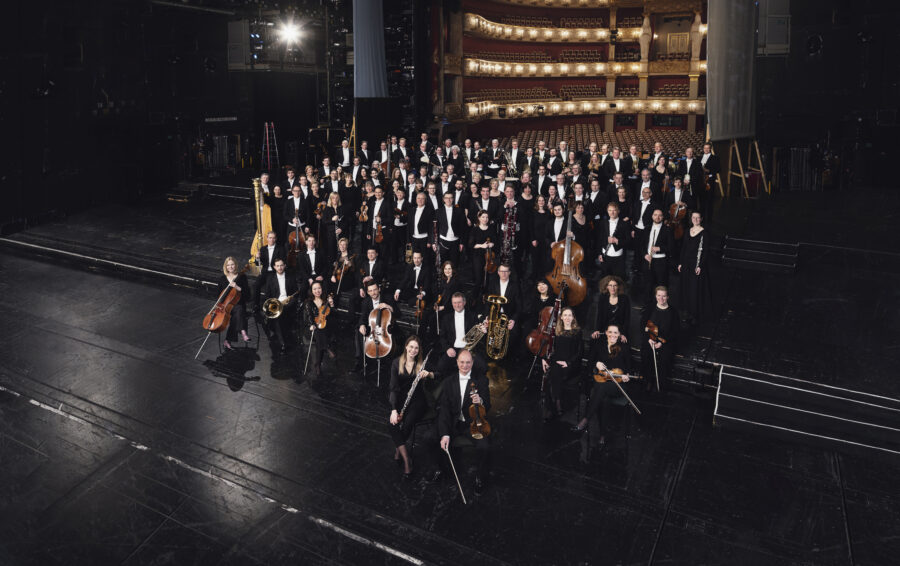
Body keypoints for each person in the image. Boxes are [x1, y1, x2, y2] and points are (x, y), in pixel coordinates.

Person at [435, 349, 492, 496]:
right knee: (429, 438)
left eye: (468, 362)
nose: (465, 365)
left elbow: (489, 406)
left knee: (484, 446)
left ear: (472, 363)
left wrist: (481, 401)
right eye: (462, 362)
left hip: (471, 423)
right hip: (453, 423)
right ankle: (441, 469)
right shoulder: (449, 381)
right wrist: (445, 434)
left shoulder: (481, 381)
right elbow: (445, 410)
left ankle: (480, 477)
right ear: (457, 362)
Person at [573, 323, 634, 445]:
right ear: (605, 332)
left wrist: (627, 375)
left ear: (619, 334)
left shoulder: (624, 347)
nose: (612, 335)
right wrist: (596, 364)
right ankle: (603, 434)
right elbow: (590, 364)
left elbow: (630, 368)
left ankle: (585, 420)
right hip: (601, 380)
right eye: (610, 332)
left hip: (618, 384)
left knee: (601, 389)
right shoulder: (598, 345)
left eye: (615, 333)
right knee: (604, 398)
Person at [389, 335, 436, 479]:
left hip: (418, 400)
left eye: (416, 348)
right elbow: (393, 388)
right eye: (411, 347)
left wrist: (429, 374)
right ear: (406, 347)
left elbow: (439, 373)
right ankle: (405, 455)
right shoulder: (397, 363)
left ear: (419, 350)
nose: (413, 350)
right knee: (392, 424)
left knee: (408, 421)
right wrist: (393, 409)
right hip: (401, 398)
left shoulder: (422, 363)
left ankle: (405, 459)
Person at [541, 307, 583, 421]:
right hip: (556, 361)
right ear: (561, 317)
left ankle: (552, 406)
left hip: (571, 363)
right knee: (553, 372)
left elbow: (579, 352)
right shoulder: (557, 331)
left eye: (570, 315)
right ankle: (557, 403)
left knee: (553, 374)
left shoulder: (577, 332)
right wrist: (544, 359)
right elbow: (551, 348)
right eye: (565, 315)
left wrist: (568, 363)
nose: (567, 317)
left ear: (573, 317)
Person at [355, 280, 398, 375]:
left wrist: (388, 307)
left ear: (379, 289)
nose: (373, 293)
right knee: (358, 330)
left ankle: (387, 363)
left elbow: (399, 314)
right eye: (370, 291)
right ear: (368, 292)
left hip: (387, 328)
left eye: (375, 290)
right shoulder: (366, 302)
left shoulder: (387, 298)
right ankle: (361, 360)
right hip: (374, 328)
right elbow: (363, 317)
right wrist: (362, 325)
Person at [640, 286, 679, 391]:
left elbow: (674, 332)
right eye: (659, 295)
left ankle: (662, 383)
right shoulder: (650, 308)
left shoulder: (673, 312)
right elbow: (643, 325)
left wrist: (661, 342)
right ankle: (647, 380)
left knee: (665, 358)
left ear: (668, 297)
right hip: (651, 336)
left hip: (665, 340)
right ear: (655, 296)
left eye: (664, 296)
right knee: (645, 354)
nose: (661, 299)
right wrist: (650, 339)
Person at [678, 211, 710, 325]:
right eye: (693, 217)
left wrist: (700, 266)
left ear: (701, 219)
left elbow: (705, 251)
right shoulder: (687, 231)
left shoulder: (704, 233)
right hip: (686, 264)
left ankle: (694, 314)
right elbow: (683, 248)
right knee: (685, 287)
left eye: (698, 218)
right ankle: (686, 311)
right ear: (691, 218)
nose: (695, 219)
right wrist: (680, 263)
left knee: (694, 289)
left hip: (695, 265)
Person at [261, 258, 298, 354]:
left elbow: (295, 292)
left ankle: (281, 338)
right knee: (278, 318)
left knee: (278, 317)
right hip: (276, 303)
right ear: (274, 267)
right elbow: (267, 296)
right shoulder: (270, 279)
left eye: (281, 265)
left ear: (285, 266)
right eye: (277, 266)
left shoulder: (290, 276)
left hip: (288, 302)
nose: (280, 267)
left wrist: (289, 300)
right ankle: (283, 343)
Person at [302, 281, 336, 377]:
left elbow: (334, 315)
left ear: (322, 289)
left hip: (326, 327)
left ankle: (317, 364)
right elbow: (308, 317)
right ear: (311, 291)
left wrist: (332, 305)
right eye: (315, 289)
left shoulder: (326, 301)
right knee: (318, 332)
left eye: (319, 288)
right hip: (312, 328)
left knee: (320, 336)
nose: (317, 291)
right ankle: (326, 348)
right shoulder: (308, 302)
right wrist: (311, 324)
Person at [216, 256, 251, 350]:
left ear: (235, 265)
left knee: (238, 311)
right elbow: (218, 296)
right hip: (226, 307)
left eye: (232, 264)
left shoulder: (242, 277)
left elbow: (248, 295)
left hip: (239, 304)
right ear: (225, 267)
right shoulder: (222, 279)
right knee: (238, 314)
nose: (230, 267)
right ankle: (242, 330)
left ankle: (230, 339)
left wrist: (237, 287)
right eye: (228, 265)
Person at [642, 208, 674, 297]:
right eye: (655, 215)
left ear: (663, 217)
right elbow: (641, 245)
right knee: (648, 285)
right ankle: (648, 306)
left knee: (661, 285)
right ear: (652, 216)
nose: (657, 217)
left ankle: (661, 306)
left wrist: (659, 248)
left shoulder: (668, 230)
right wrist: (645, 254)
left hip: (661, 262)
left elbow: (672, 248)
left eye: (660, 215)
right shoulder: (647, 228)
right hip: (648, 260)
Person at [591, 276, 631, 343]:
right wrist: (597, 330)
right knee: (594, 340)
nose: (613, 288)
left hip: (619, 332)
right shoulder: (602, 298)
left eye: (615, 285)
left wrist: (623, 334)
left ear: (618, 287)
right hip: (605, 331)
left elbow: (627, 319)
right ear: (607, 287)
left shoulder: (625, 299)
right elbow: (599, 316)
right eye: (610, 285)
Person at [595, 202, 630, 279]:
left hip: (618, 257)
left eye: (614, 210)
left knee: (618, 279)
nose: (612, 212)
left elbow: (629, 241)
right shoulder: (603, 223)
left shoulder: (624, 224)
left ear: (618, 211)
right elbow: (599, 239)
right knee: (605, 279)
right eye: (610, 210)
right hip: (605, 255)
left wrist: (617, 241)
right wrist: (599, 253)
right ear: (607, 211)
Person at [468, 210, 498, 294]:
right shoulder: (475, 229)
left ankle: (485, 294)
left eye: (487, 217)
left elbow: (496, 241)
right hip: (478, 255)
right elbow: (471, 245)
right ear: (479, 218)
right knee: (479, 278)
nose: (485, 219)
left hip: (489, 256)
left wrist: (492, 244)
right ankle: (476, 295)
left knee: (488, 277)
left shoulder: (491, 228)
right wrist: (481, 245)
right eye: (483, 217)